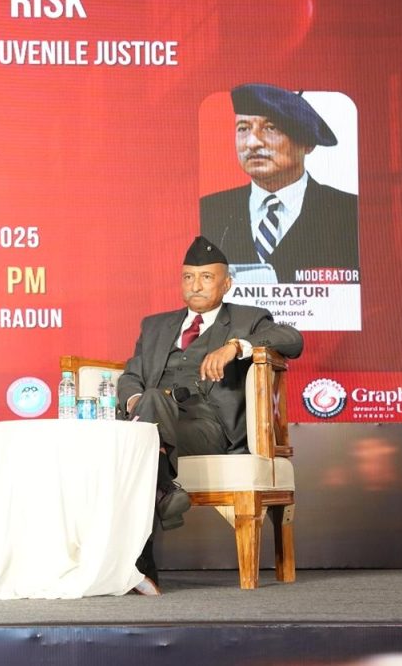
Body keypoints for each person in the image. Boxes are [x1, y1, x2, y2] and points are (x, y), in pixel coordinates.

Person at [118, 236, 304, 593]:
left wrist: (235, 346)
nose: (196, 285)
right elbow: (130, 376)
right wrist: (135, 400)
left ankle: (142, 564)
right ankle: (164, 492)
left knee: (138, 441)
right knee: (151, 401)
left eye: (206, 277)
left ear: (226, 283)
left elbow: (292, 339)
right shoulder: (155, 326)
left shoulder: (248, 319)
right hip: (154, 417)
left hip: (206, 426)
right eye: (188, 277)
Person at [200, 83, 358, 283]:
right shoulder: (208, 211)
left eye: (271, 128)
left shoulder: (350, 213)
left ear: (308, 142)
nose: (252, 143)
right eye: (243, 128)